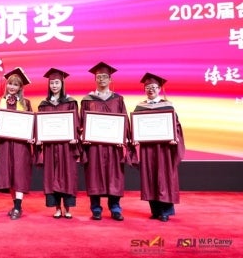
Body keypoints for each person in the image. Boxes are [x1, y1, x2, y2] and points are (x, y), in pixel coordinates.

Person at [80, 62, 131, 221]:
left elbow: (124, 121)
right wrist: (84, 136)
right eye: (99, 77)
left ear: (110, 79)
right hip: (94, 146)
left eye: (105, 77)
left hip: (113, 146)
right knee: (94, 175)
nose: (101, 79)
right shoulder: (87, 99)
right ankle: (96, 209)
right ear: (95, 79)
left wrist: (122, 139)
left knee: (114, 175)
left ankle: (115, 208)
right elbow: (82, 122)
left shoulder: (118, 99)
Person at [133, 73, 185, 222]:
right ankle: (155, 210)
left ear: (159, 88)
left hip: (164, 149)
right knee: (150, 177)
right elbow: (136, 126)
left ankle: (166, 211)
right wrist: (135, 138)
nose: (150, 90)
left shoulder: (168, 105)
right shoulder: (140, 107)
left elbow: (176, 126)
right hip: (148, 149)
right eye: (147, 87)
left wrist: (174, 137)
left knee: (164, 177)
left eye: (153, 87)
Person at [36, 68, 80, 219]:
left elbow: (76, 123)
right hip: (50, 146)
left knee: (67, 175)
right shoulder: (43, 104)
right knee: (52, 176)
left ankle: (67, 208)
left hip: (66, 146)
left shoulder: (71, 102)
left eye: (57, 82)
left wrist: (75, 136)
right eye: (51, 83)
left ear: (62, 84)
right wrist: (39, 137)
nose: (54, 85)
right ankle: (57, 208)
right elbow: (40, 124)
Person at [0, 67, 34, 220]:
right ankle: (16, 205)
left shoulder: (26, 103)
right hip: (5, 144)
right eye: (10, 84)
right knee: (10, 176)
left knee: (19, 174)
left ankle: (18, 207)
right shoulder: (0, 101)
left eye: (16, 84)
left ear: (20, 87)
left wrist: (31, 136)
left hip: (20, 145)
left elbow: (32, 123)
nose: (12, 87)